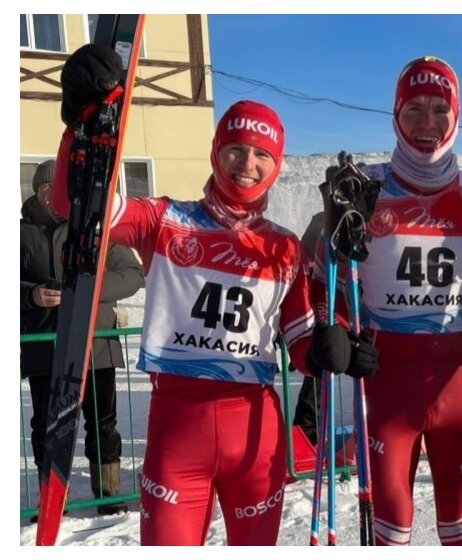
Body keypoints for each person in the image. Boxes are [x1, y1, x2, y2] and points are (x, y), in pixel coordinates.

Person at [51, 44, 371, 545]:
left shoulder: (283, 247)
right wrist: (83, 126)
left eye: (262, 154)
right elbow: (78, 201)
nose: (247, 163)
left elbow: (306, 348)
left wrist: (338, 345)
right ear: (217, 151)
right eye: (236, 149)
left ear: (277, 164)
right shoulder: (163, 220)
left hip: (255, 435)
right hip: (178, 432)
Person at [309, 56, 462, 546]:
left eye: (439, 109)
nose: (427, 124)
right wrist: (340, 332)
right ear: (395, 115)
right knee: (391, 529)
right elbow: (325, 280)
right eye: (414, 110)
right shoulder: (360, 191)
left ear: (456, 117)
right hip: (386, 382)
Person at [21, 158, 144, 517]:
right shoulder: (18, 232)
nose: (53, 196)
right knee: (47, 424)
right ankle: (50, 498)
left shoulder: (96, 229)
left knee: (102, 422)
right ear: (38, 192)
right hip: (46, 346)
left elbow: (133, 273)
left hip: (96, 347)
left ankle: (108, 494)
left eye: (59, 189)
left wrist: (89, 290)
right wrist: (31, 295)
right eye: (47, 189)